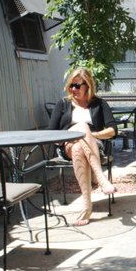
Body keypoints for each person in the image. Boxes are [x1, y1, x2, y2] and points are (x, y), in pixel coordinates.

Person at [48, 68, 117, 226]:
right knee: (82, 126)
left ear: (88, 85)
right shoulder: (63, 104)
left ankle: (87, 206)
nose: (73, 89)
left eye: (77, 86)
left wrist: (92, 135)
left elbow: (113, 130)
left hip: (93, 146)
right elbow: (51, 132)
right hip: (67, 145)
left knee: (81, 143)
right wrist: (80, 130)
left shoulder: (99, 104)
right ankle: (100, 178)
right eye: (71, 85)